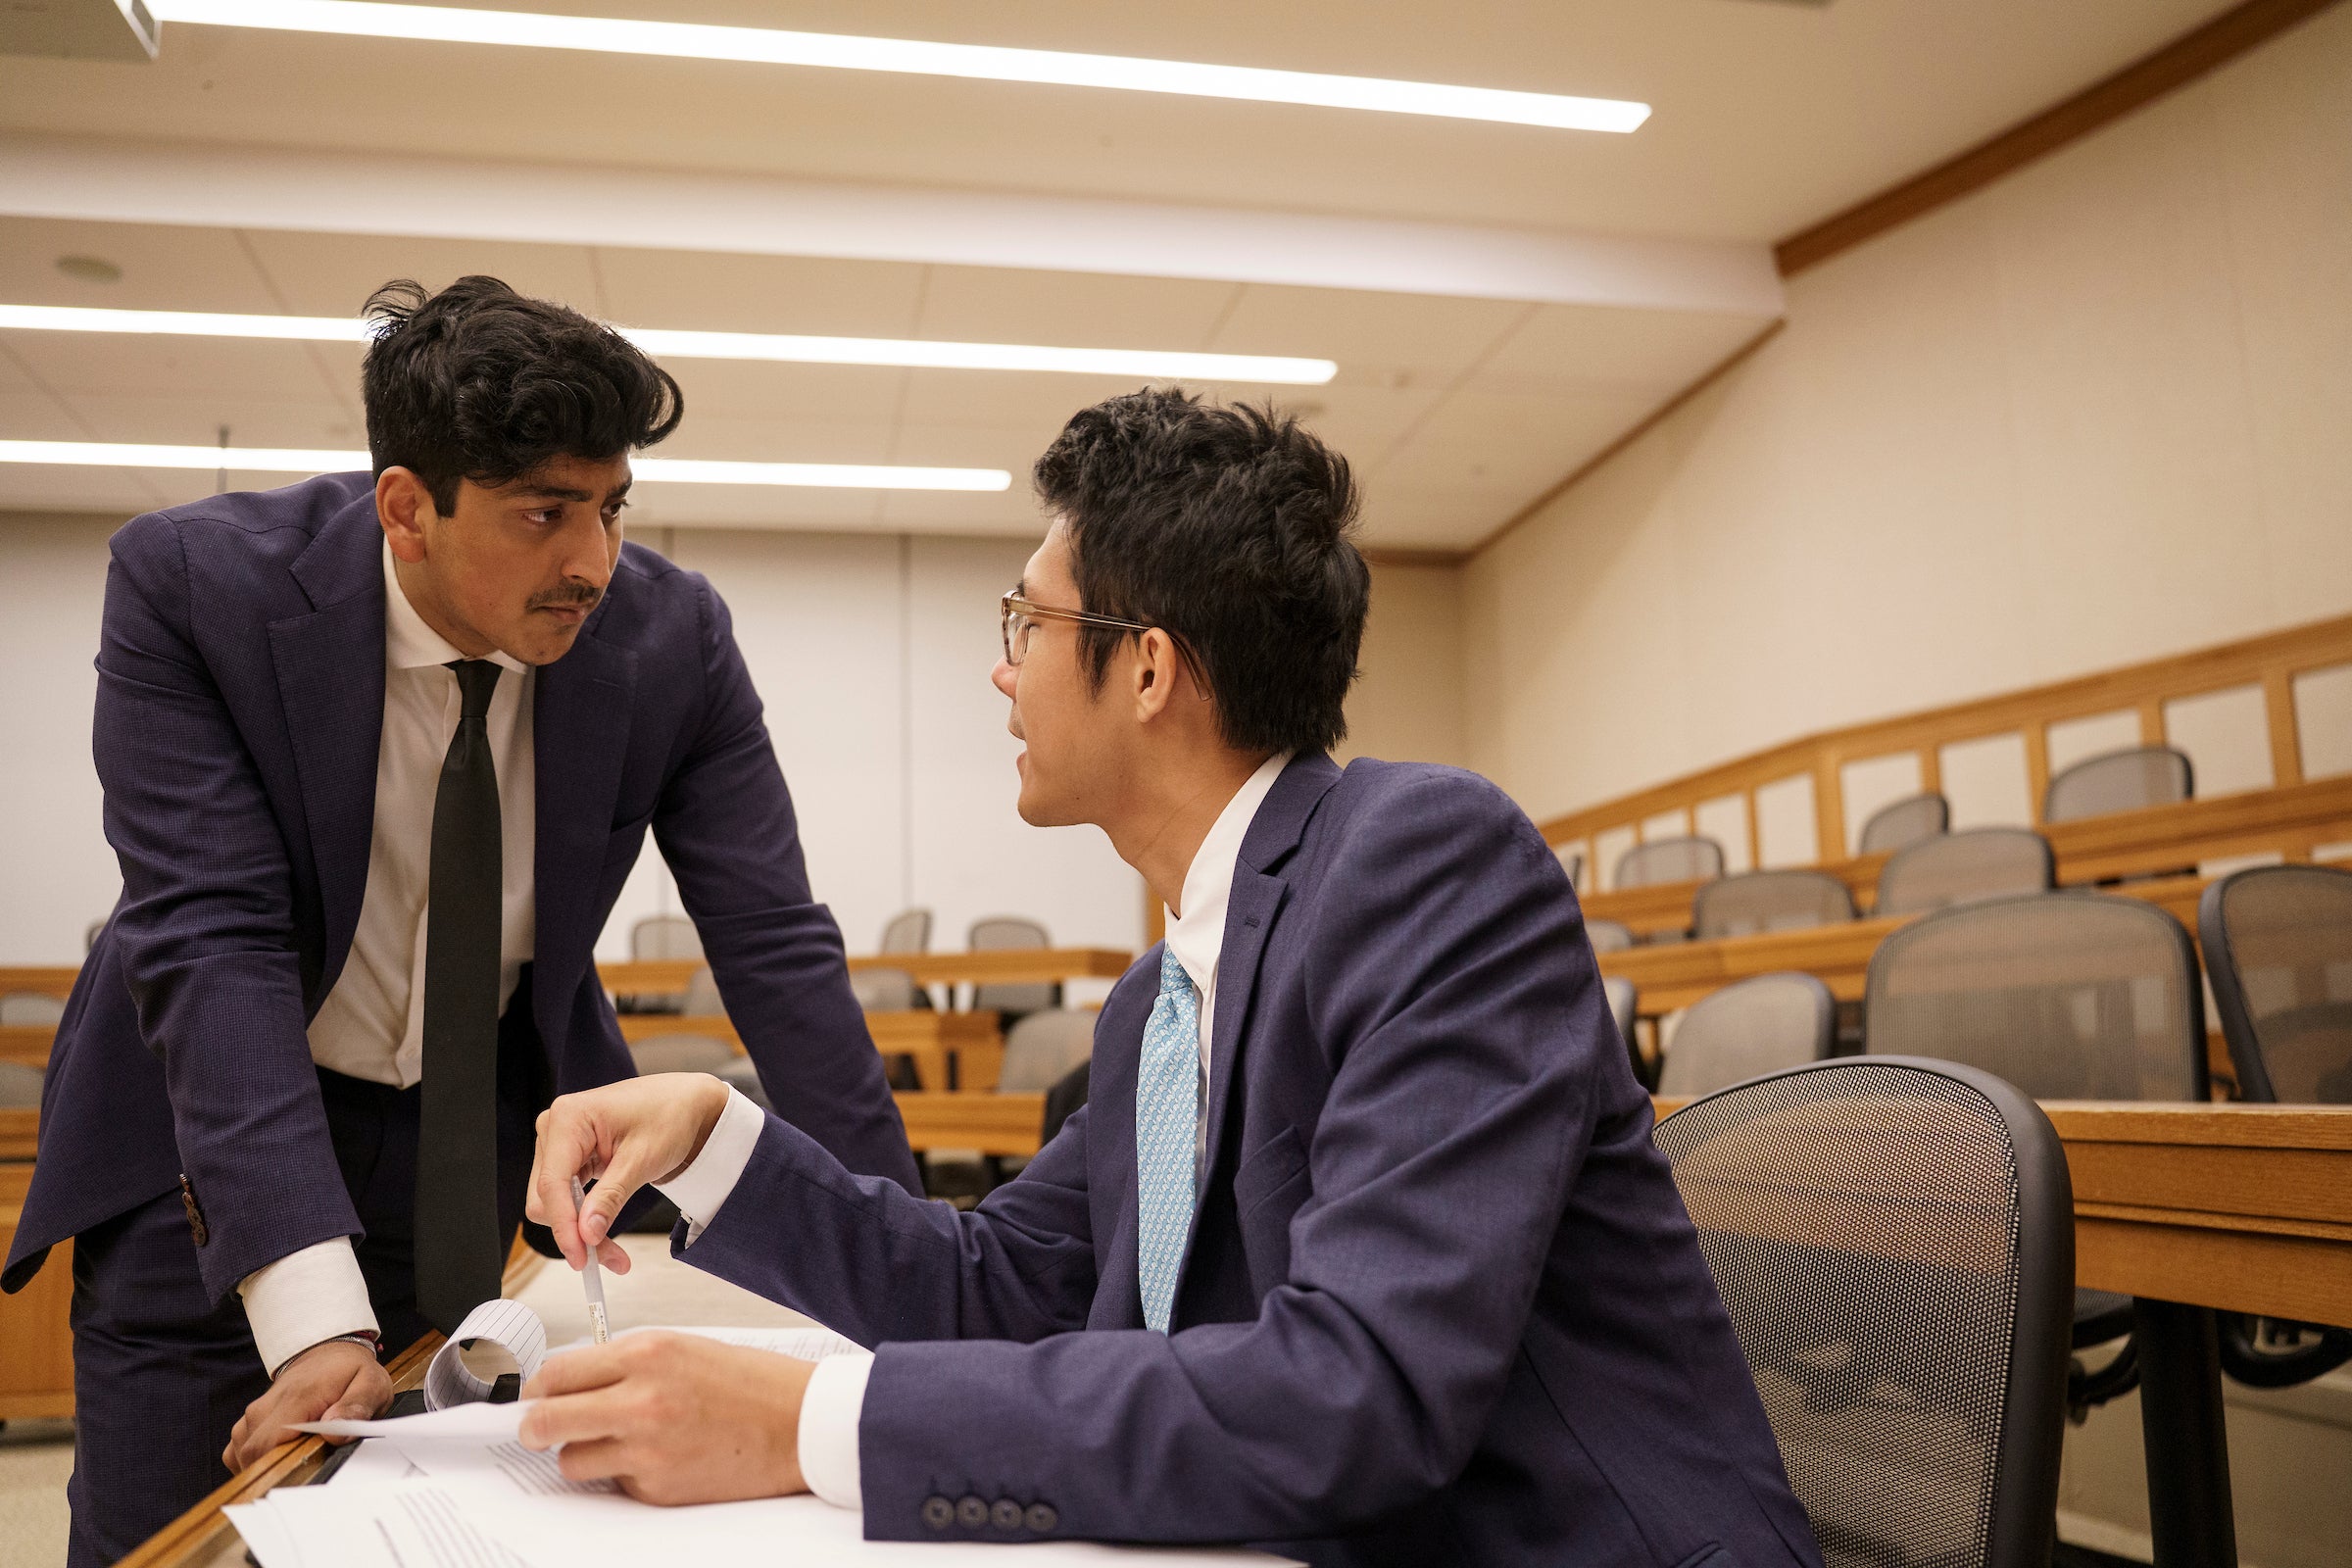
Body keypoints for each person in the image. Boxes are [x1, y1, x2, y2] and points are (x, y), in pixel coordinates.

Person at [517, 389, 1822, 1567]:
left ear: (1146, 667)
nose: (1003, 665)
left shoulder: (1427, 862)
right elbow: (1000, 1292)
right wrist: (715, 1139)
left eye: (1027, 620)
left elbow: (1354, 1391)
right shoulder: (1163, 997)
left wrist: (810, 1421)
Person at [1, 276, 920, 1568]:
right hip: (204, 1158)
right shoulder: (195, 590)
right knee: (175, 1540)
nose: (592, 560)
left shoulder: (671, 641)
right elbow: (213, 944)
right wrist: (313, 1313)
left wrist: (919, 1281)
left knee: (427, 1527)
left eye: (609, 509)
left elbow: (775, 944)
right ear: (406, 509)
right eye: (544, 514)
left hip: (463, 1147)